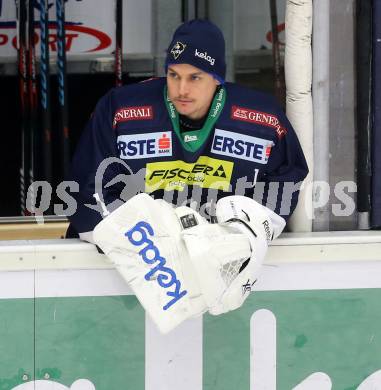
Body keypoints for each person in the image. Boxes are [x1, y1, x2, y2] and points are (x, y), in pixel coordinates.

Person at [66, 19, 309, 332]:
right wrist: (151, 247)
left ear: (218, 78)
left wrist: (246, 232)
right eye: (174, 75)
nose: (182, 89)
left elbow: (287, 179)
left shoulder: (262, 119)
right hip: (116, 285)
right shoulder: (120, 109)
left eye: (195, 77)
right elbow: (87, 191)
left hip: (217, 305)